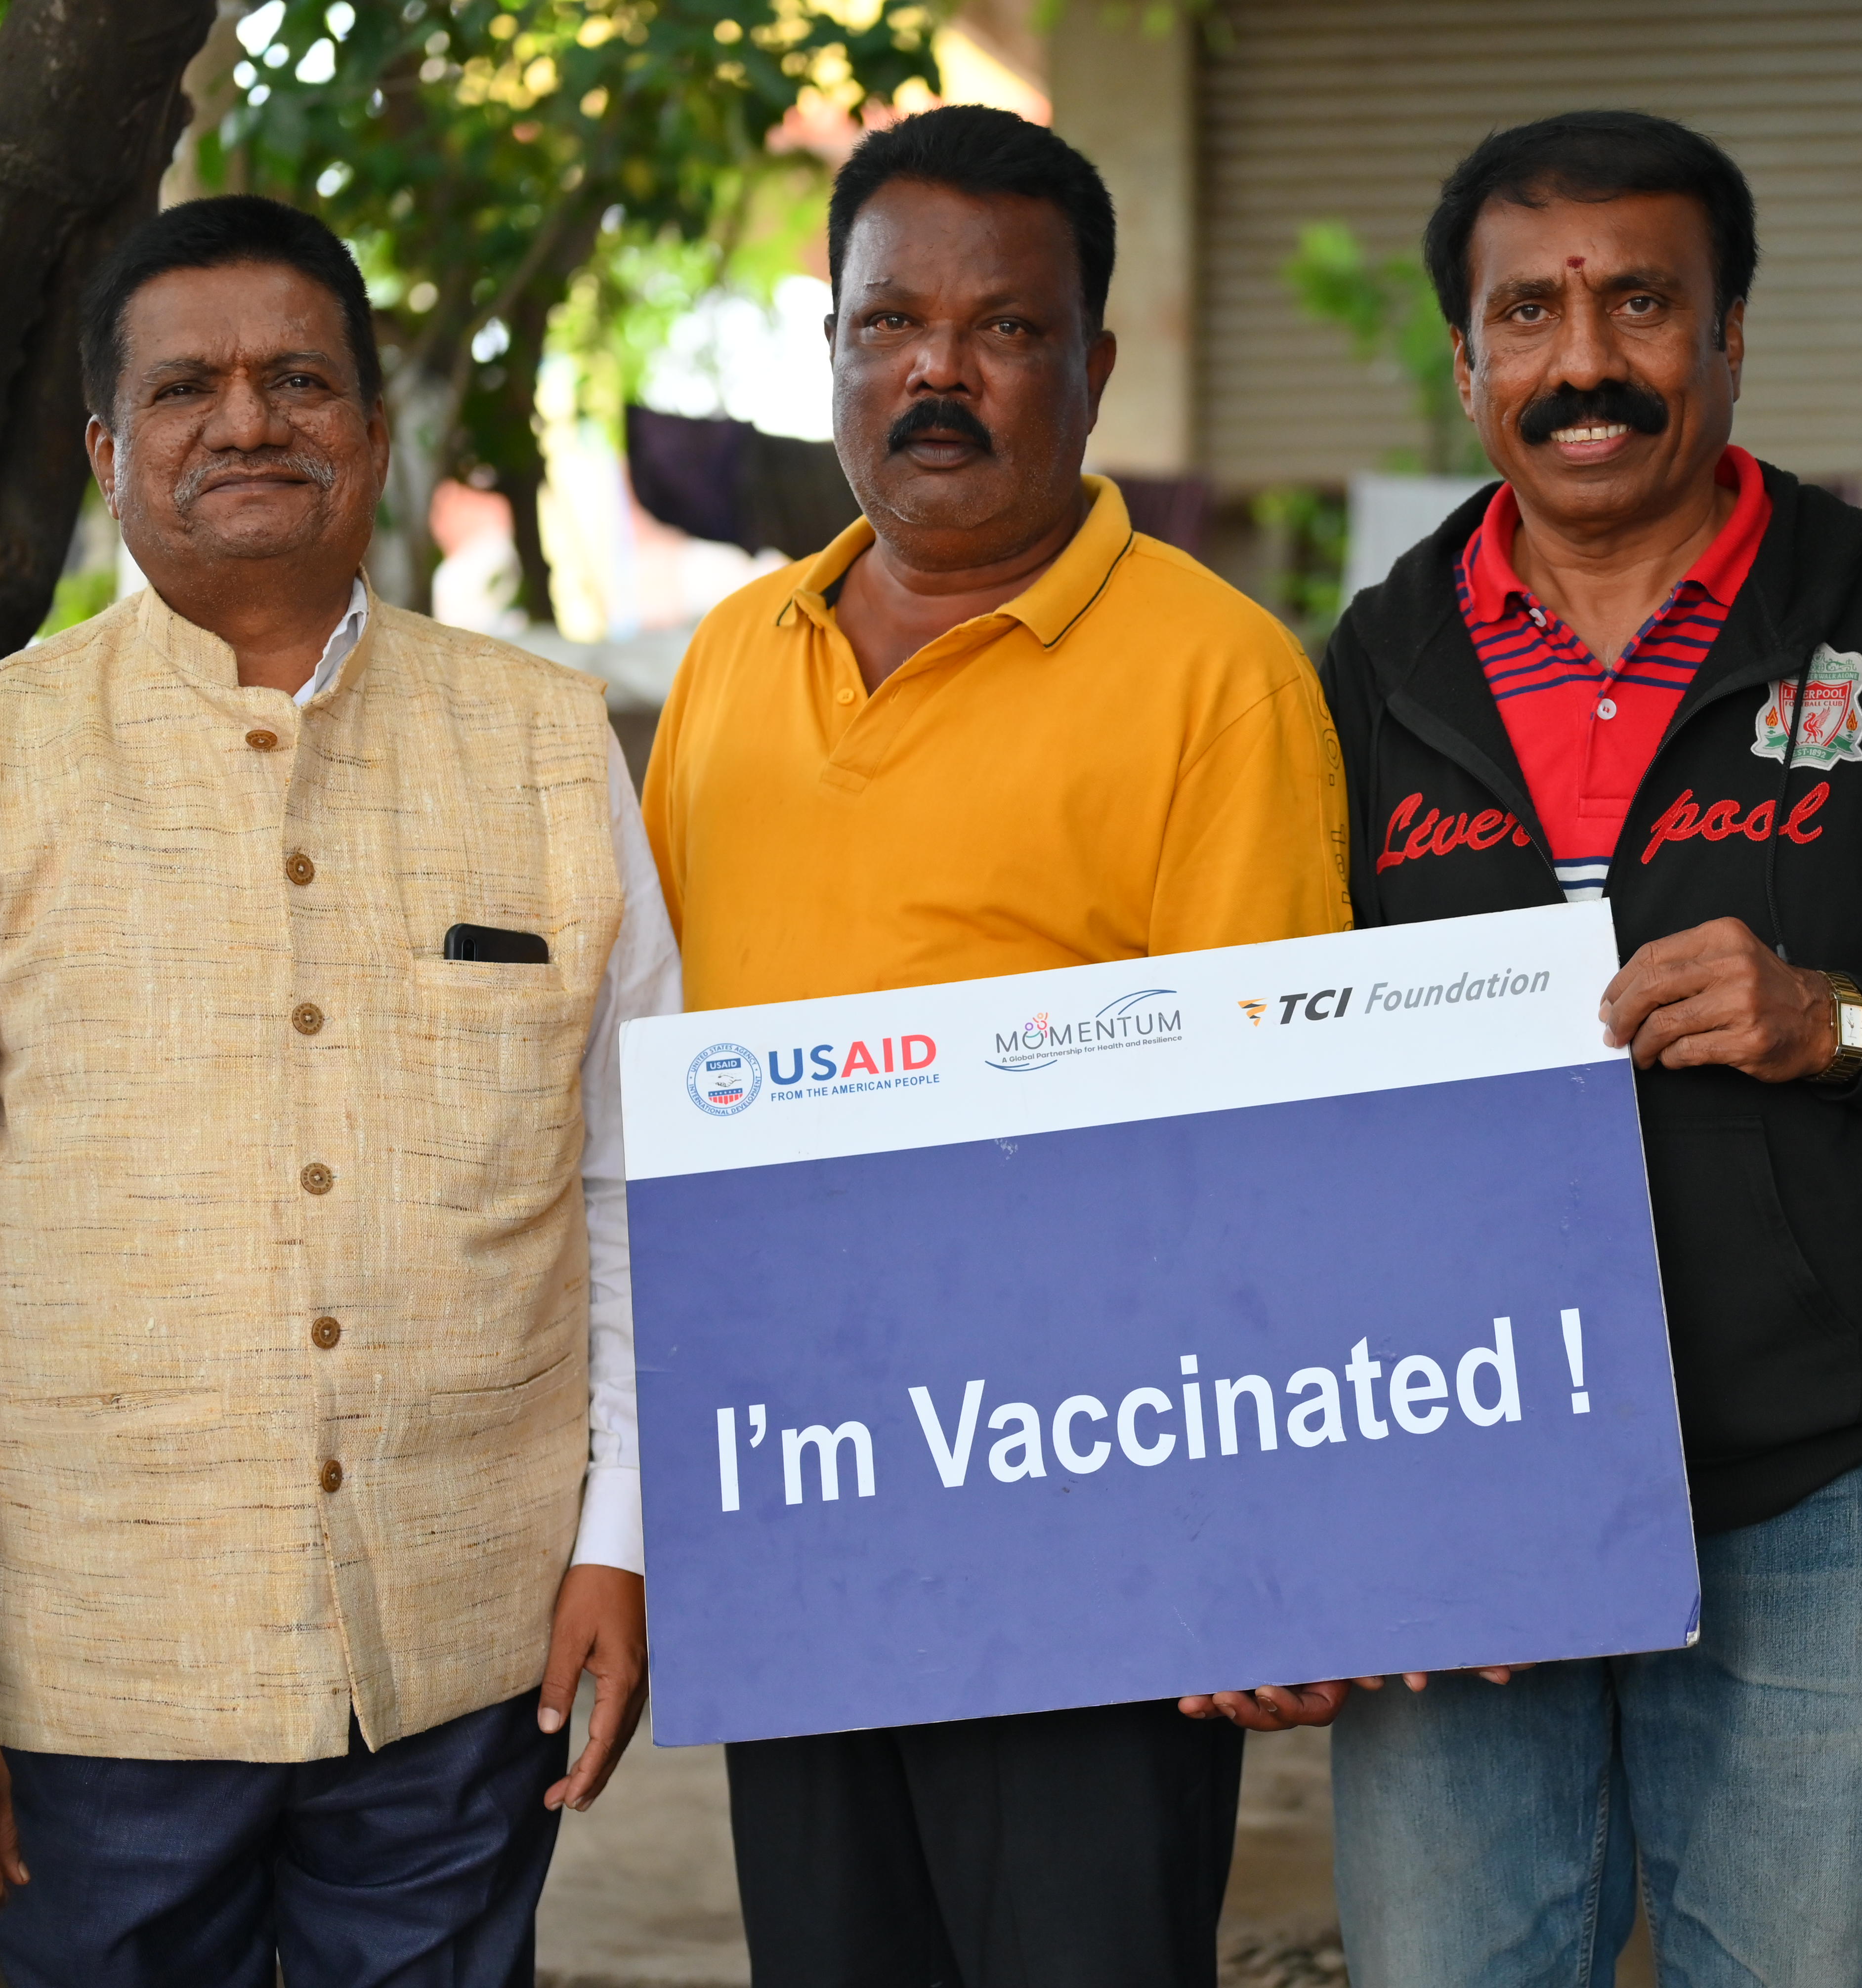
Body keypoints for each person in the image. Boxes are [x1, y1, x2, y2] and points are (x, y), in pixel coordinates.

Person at [1305, 111, 1862, 1984]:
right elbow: (1258, 1106)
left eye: (1639, 302)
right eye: (1526, 313)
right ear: (1463, 360)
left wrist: (1835, 1021)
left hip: (1808, 1489)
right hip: (1455, 1486)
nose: (1583, 361)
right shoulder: (1359, 677)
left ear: (1726, 335)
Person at [0, 195, 679, 1986]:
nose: (248, 419)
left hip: (466, 1655)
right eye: (185, 387)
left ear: (372, 428)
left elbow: (637, 1187)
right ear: (107, 453)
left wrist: (626, 1541)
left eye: (298, 378)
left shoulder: (547, 749)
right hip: (99, 1676)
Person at [639, 105, 1350, 1988]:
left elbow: (1268, 1146)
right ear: (832, 351)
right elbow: (660, 1080)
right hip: (795, 1508)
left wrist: (1258, 1539)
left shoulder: (1217, 676)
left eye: (1002, 330)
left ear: (1091, 368)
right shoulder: (730, 660)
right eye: (889, 323)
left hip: (1090, 1526)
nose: (934, 373)